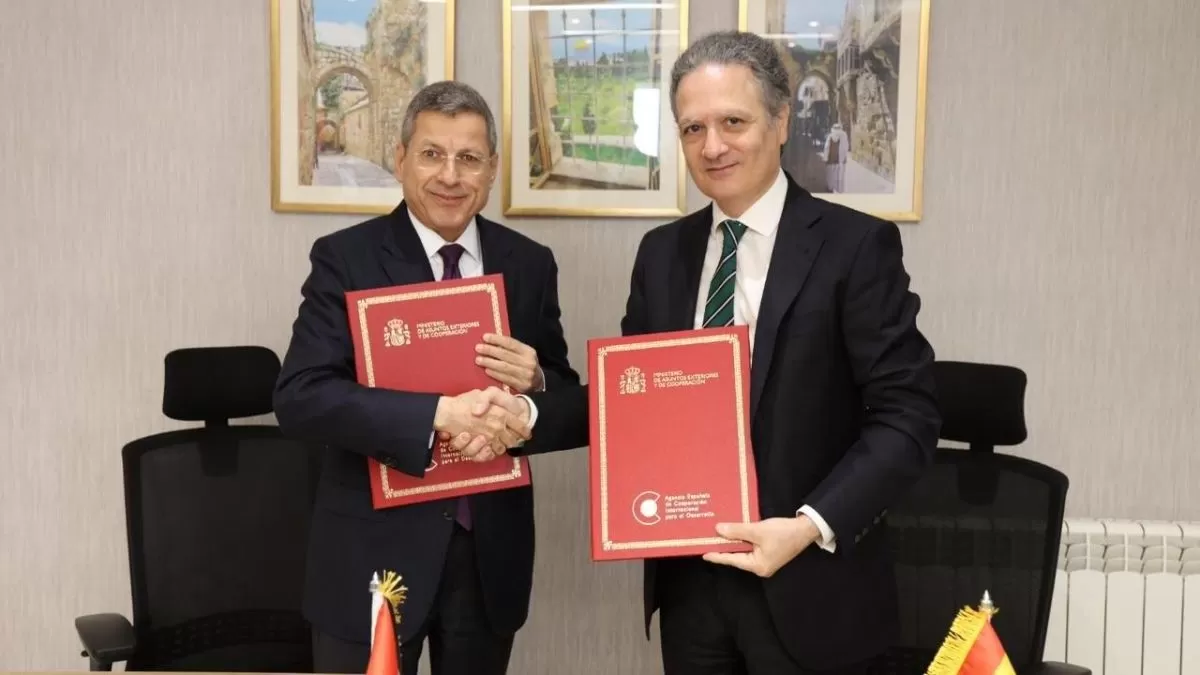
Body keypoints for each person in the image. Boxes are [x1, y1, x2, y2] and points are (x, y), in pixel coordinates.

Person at [454, 31, 941, 674]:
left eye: (732, 122)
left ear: (781, 121)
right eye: (692, 129)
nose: (712, 146)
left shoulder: (856, 247)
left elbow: (908, 417)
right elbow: (628, 401)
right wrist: (526, 415)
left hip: (812, 586)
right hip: (691, 586)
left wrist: (807, 525)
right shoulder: (662, 254)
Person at [273, 80, 579, 675]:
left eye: (469, 158)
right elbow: (301, 396)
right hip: (373, 550)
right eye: (432, 154)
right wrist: (440, 414)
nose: (450, 176)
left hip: (488, 555)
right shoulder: (346, 258)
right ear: (400, 159)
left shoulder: (529, 263)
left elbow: (564, 397)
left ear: (492, 169)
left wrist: (537, 382)